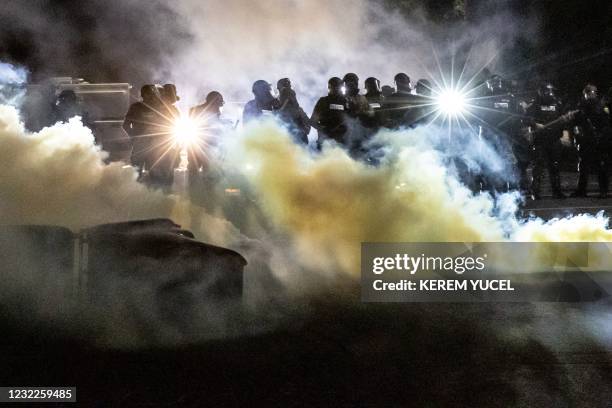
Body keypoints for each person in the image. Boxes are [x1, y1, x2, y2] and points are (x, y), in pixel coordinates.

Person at [525, 83, 570, 199]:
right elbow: (526, 119)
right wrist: (535, 124)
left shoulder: (557, 104)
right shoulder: (535, 105)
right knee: (538, 166)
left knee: (555, 165)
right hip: (540, 140)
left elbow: (563, 120)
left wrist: (565, 133)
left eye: (551, 91)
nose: (550, 93)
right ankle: (535, 192)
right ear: (542, 92)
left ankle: (557, 192)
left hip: (554, 139)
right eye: (548, 91)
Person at [570, 84, 612, 198]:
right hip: (589, 139)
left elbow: (605, 123)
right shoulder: (584, 105)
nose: (592, 95)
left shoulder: (599, 106)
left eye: (593, 92)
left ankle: (601, 191)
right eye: (591, 93)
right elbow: (577, 123)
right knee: (586, 165)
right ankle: (584, 190)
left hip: (597, 138)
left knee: (599, 165)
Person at [310, 77, 349, 148]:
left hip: (341, 142)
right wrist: (324, 130)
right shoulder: (323, 101)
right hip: (326, 141)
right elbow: (312, 121)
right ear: (330, 87)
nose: (336, 89)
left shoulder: (346, 102)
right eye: (334, 87)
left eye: (338, 87)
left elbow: (351, 122)